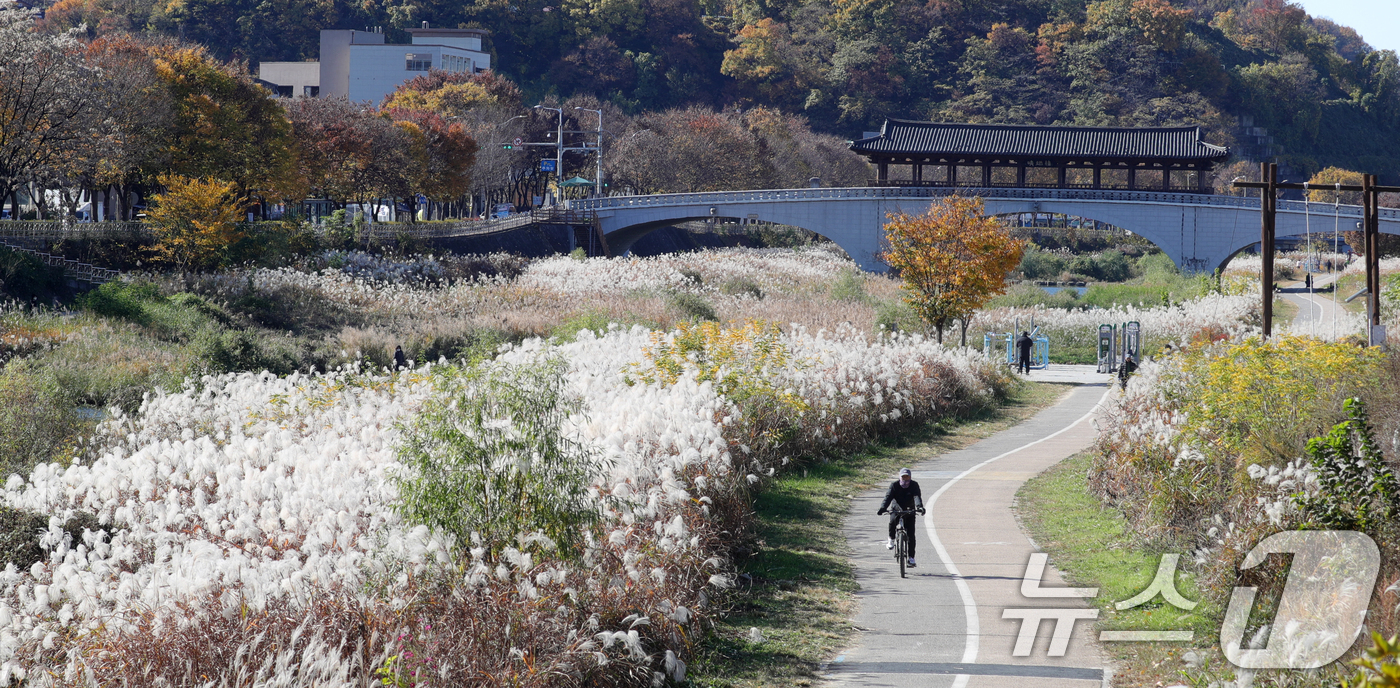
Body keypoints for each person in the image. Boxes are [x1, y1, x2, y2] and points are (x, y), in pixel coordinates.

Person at [877, 468, 925, 568]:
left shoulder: (914, 485)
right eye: (903, 477)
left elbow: (917, 497)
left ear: (910, 477)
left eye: (907, 477)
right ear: (900, 477)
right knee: (892, 522)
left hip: (909, 510)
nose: (905, 479)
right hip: (896, 509)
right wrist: (883, 508)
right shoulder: (894, 485)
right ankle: (891, 538)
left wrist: (919, 507)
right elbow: (888, 497)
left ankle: (911, 558)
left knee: (911, 535)